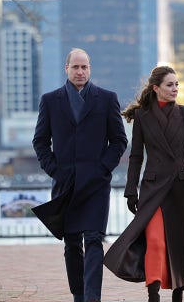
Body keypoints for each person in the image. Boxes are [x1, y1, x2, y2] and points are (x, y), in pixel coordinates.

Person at [32, 48, 128, 302]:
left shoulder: (107, 99)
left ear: (90, 69)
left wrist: (103, 168)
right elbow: (40, 141)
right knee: (72, 243)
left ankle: (92, 298)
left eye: (84, 67)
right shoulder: (51, 100)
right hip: (66, 184)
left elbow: (119, 140)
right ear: (66, 69)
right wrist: (55, 170)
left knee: (94, 239)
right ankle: (79, 294)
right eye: (75, 67)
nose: (80, 71)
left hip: (96, 184)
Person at [103, 66, 184, 302]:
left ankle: (178, 293)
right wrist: (130, 190)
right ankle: (153, 294)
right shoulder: (142, 117)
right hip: (153, 189)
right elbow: (136, 155)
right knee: (156, 242)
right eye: (170, 85)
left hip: (181, 189)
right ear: (156, 88)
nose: (175, 89)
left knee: (179, 245)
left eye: (177, 84)